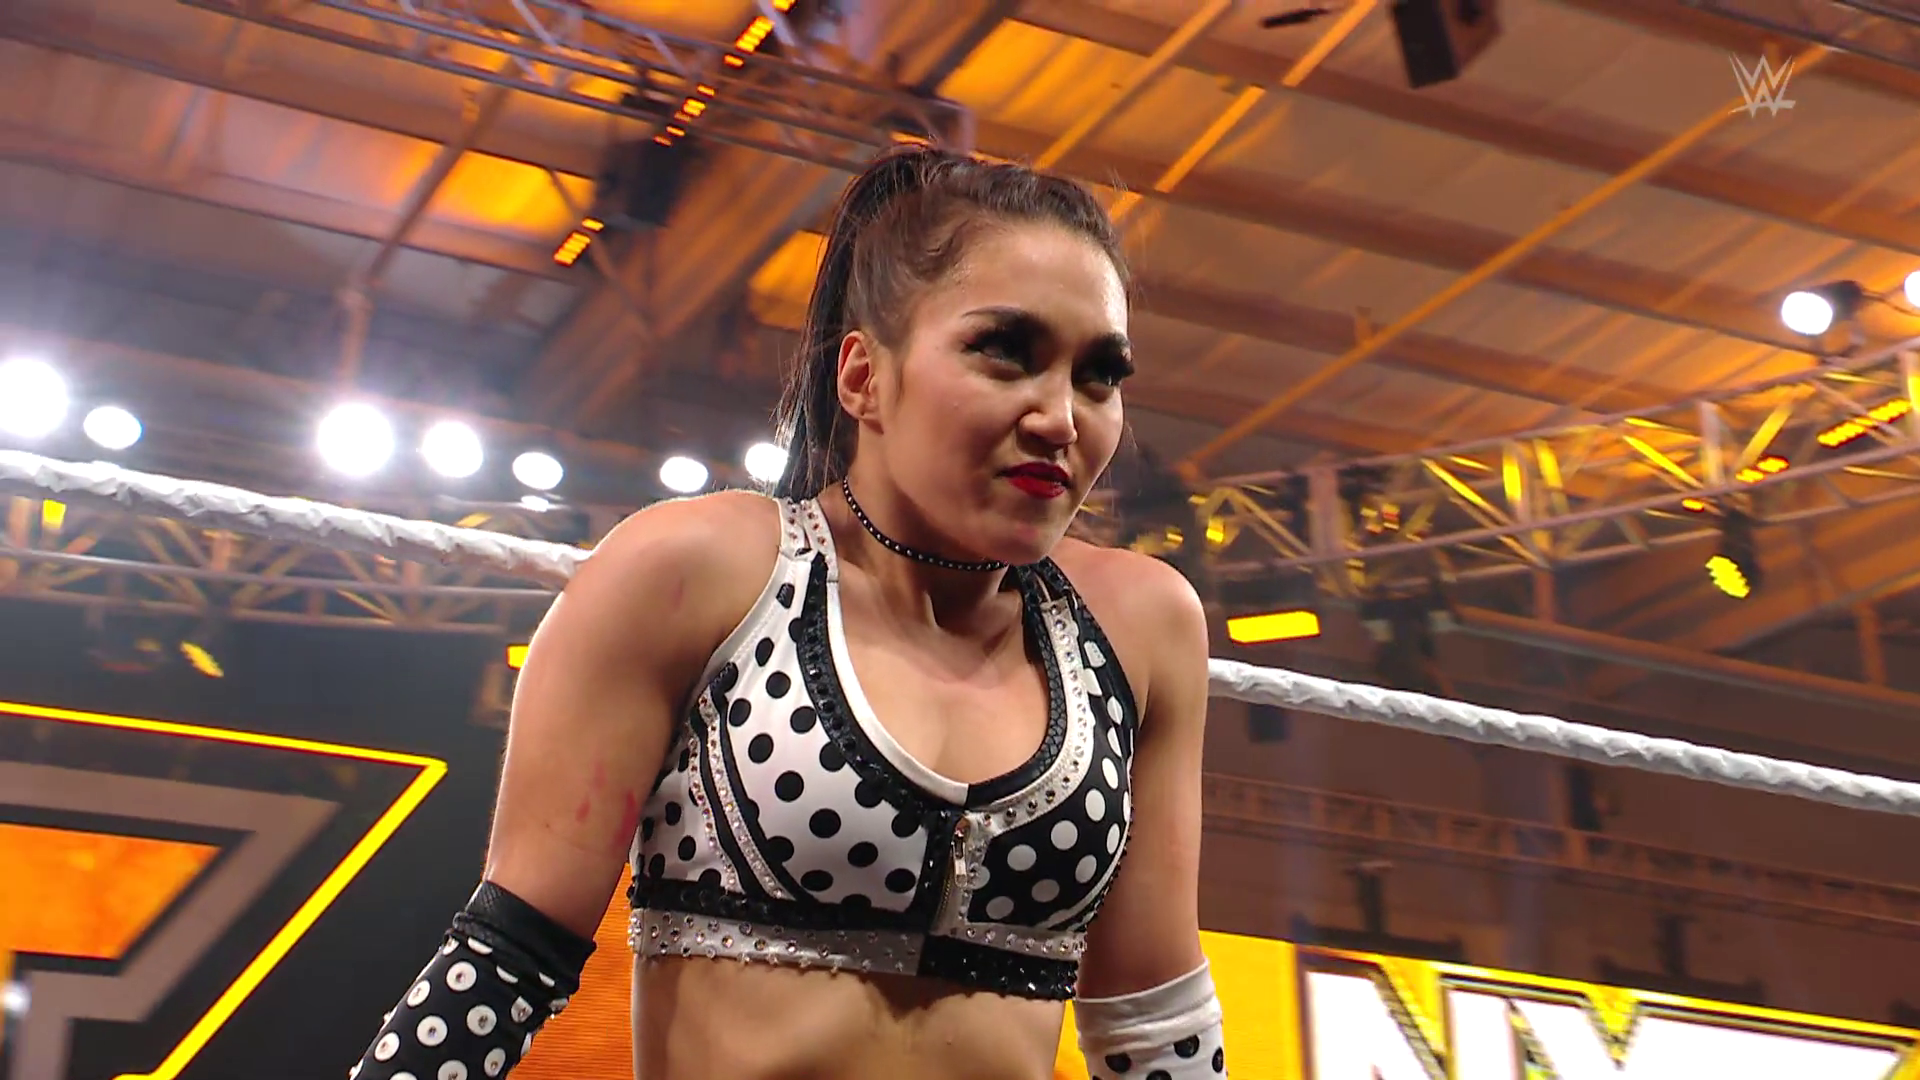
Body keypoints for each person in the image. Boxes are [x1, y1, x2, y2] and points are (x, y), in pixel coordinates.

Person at [348, 144, 1226, 1080]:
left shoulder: (1141, 626)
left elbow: (1155, 1028)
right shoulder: (692, 574)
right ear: (863, 377)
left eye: (1098, 375)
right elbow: (504, 961)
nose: (1061, 417)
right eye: (1006, 352)